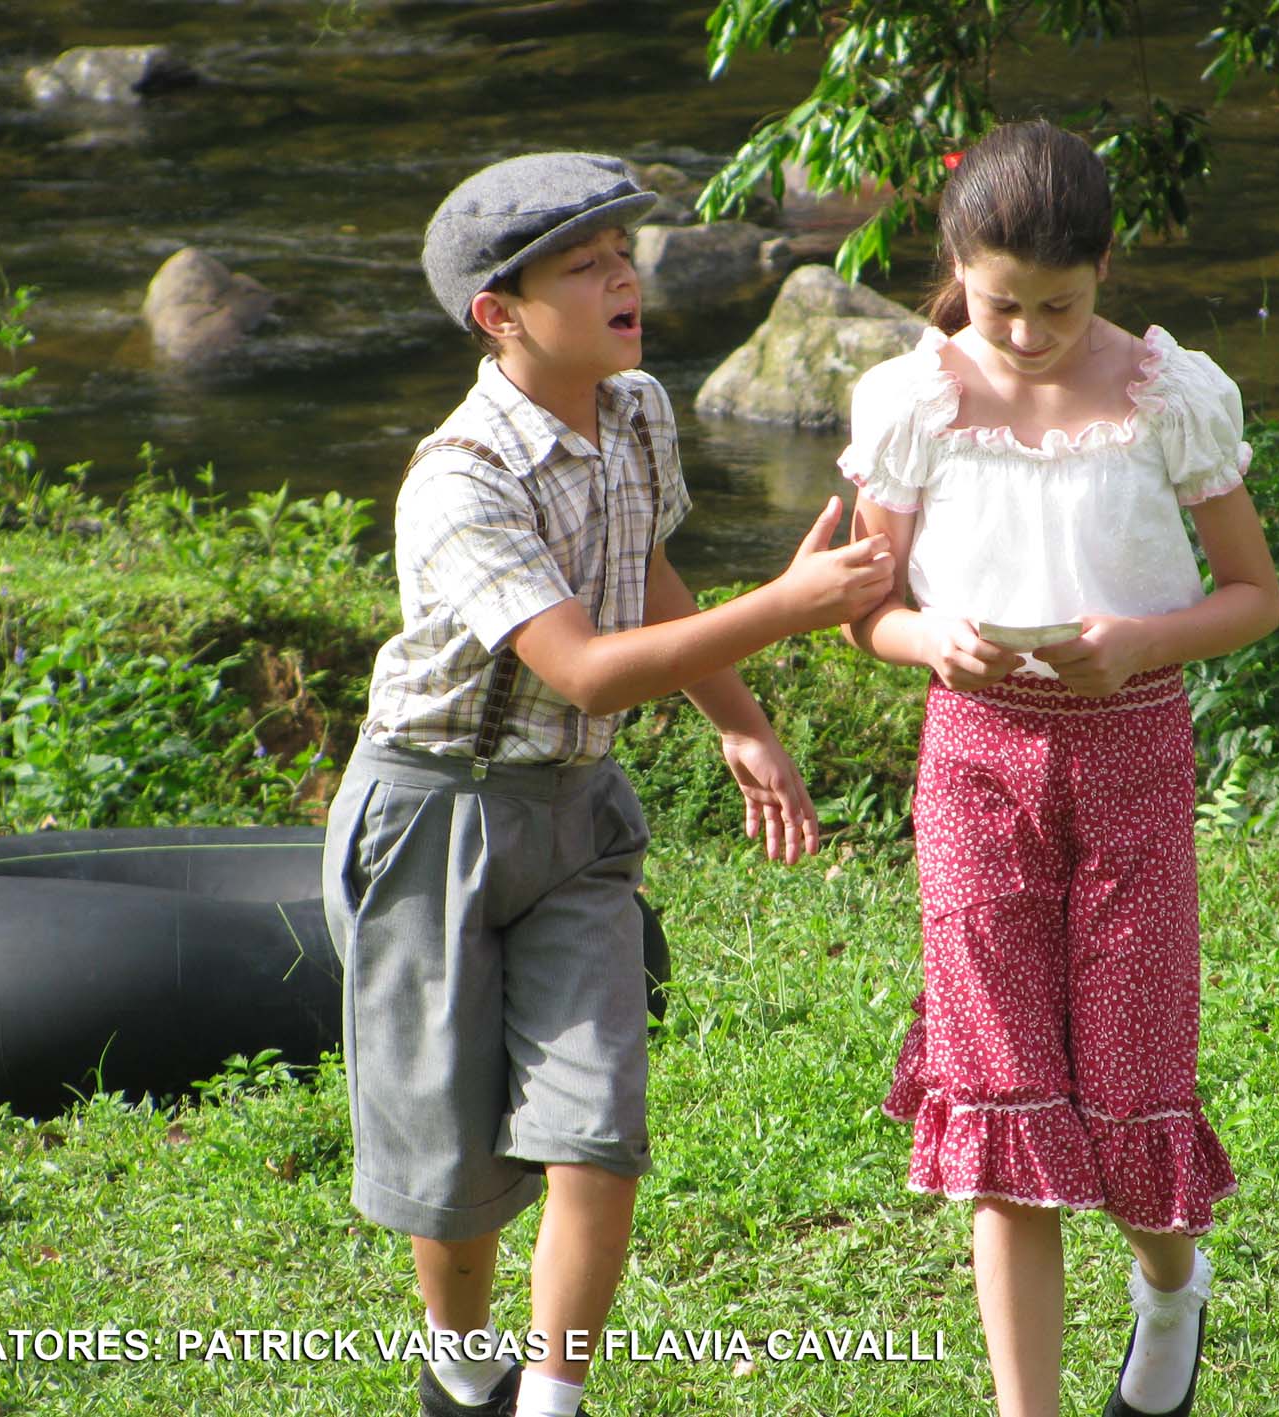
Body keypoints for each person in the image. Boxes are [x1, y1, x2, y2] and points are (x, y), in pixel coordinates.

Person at [321, 152, 893, 1417]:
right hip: (434, 818)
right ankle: (462, 1364)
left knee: (596, 1129)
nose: (622, 277)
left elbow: (649, 576)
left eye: (621, 254)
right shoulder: (461, 478)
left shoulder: (636, 408)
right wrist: (787, 606)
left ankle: (553, 1396)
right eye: (583, 267)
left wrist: (742, 725)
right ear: (501, 314)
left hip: (577, 820)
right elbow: (581, 667)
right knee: (452, 1173)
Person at [839, 120, 1279, 1417]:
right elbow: (867, 610)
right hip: (974, 757)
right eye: (1000, 306)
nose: (1027, 334)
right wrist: (931, 638)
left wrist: (1141, 640)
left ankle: (1169, 1287)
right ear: (955, 269)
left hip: (1134, 750)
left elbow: (1253, 596)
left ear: (1104, 269)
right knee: (1000, 1101)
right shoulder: (911, 401)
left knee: (1133, 1092)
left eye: (1058, 306)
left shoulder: (1168, 394)